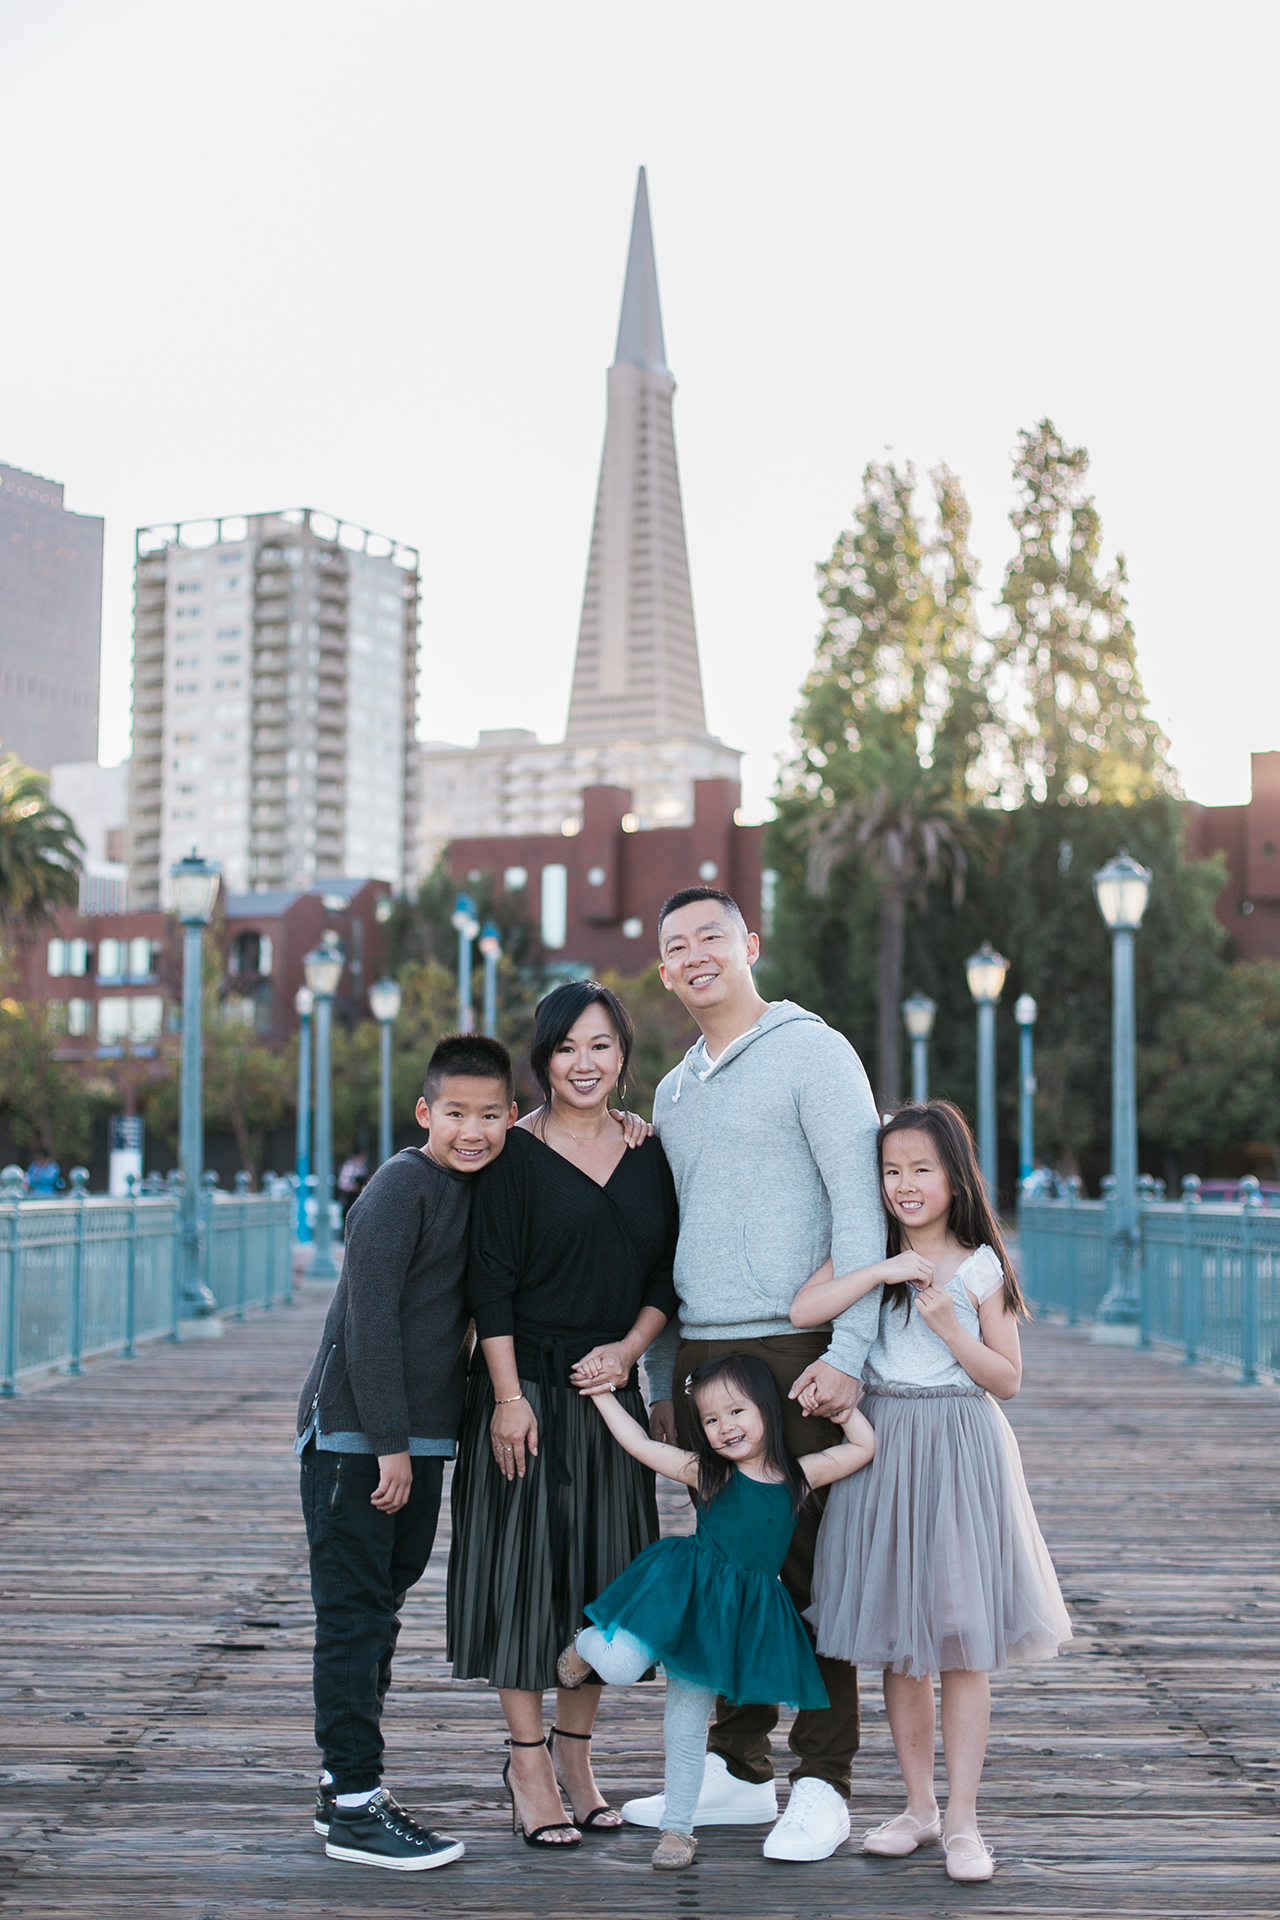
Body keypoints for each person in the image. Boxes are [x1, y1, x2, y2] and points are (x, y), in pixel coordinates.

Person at [627, 886, 885, 1863]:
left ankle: (823, 1777)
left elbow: (861, 1211)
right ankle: (735, 1772)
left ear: (749, 944)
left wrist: (847, 1355)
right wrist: (662, 1368)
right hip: (701, 1357)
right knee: (727, 1577)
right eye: (672, 947)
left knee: (811, 1572)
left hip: (795, 1352)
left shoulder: (811, 1051)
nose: (692, 955)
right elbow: (668, 1236)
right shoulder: (672, 1088)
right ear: (660, 971)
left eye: (709, 937)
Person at [795, 1100, 1072, 1884]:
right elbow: (803, 1308)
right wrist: (880, 1270)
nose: (905, 1185)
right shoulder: (869, 1249)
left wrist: (952, 1329)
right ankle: (916, 1807)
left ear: (955, 1176)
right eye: (891, 1171)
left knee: (959, 1637)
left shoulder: (981, 1262)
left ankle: (962, 1820)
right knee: (897, 1637)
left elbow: (1008, 1379)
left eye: (921, 1169)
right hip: (882, 1451)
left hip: (958, 1450)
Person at [447, 981, 679, 1851]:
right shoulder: (511, 1153)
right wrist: (506, 1400)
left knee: (605, 1590)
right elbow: (490, 1285)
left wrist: (629, 1352)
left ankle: (578, 1762)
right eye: (567, 1048)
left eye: (601, 1046)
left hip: (609, 1399)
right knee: (523, 1583)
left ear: (623, 1056)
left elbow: (665, 1277)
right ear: (543, 1059)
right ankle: (528, 1765)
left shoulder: (650, 1151)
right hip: (528, 1394)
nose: (584, 1064)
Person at [295, 1032, 517, 1874]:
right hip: (360, 1442)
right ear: (425, 1112)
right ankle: (356, 1803)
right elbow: (367, 1323)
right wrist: (387, 1445)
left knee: (378, 1614)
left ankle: (340, 1787)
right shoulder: (397, 1187)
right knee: (354, 1617)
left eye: (490, 1115)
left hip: (417, 1441)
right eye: (455, 1113)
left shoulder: (480, 1175)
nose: (473, 1129)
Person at [558, 1353, 875, 1872]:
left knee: (685, 1728)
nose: (724, 1428)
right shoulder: (707, 1474)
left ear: (767, 1413)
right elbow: (640, 1445)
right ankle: (587, 1642)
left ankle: (678, 1830)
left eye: (736, 1413)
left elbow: (863, 1448)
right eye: (710, 1420)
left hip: (729, 1622)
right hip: (680, 1593)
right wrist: (602, 1397)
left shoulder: (797, 1476)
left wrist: (843, 1412)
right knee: (617, 1667)